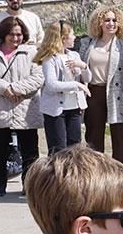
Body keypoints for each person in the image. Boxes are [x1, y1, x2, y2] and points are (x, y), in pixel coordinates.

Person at [0, 16, 42, 197]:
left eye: (19, 34)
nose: (16, 38)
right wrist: (5, 89)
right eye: (12, 34)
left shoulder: (32, 53)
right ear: (4, 34)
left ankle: (29, 185)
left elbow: (37, 77)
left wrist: (16, 89)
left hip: (25, 108)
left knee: (29, 149)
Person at [77, 5, 123, 171]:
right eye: (107, 20)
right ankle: (95, 178)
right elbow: (79, 72)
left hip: (117, 94)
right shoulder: (87, 44)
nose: (111, 23)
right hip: (93, 94)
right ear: (99, 23)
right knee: (93, 140)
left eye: (114, 20)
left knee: (122, 140)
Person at [37, 21, 90, 154]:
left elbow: (88, 79)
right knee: (58, 150)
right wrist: (76, 85)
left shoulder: (74, 55)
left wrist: (83, 66)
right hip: (56, 110)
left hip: (74, 108)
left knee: (75, 148)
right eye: (72, 34)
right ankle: (57, 175)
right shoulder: (49, 59)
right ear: (63, 38)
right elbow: (51, 84)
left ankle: (72, 175)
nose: (75, 37)